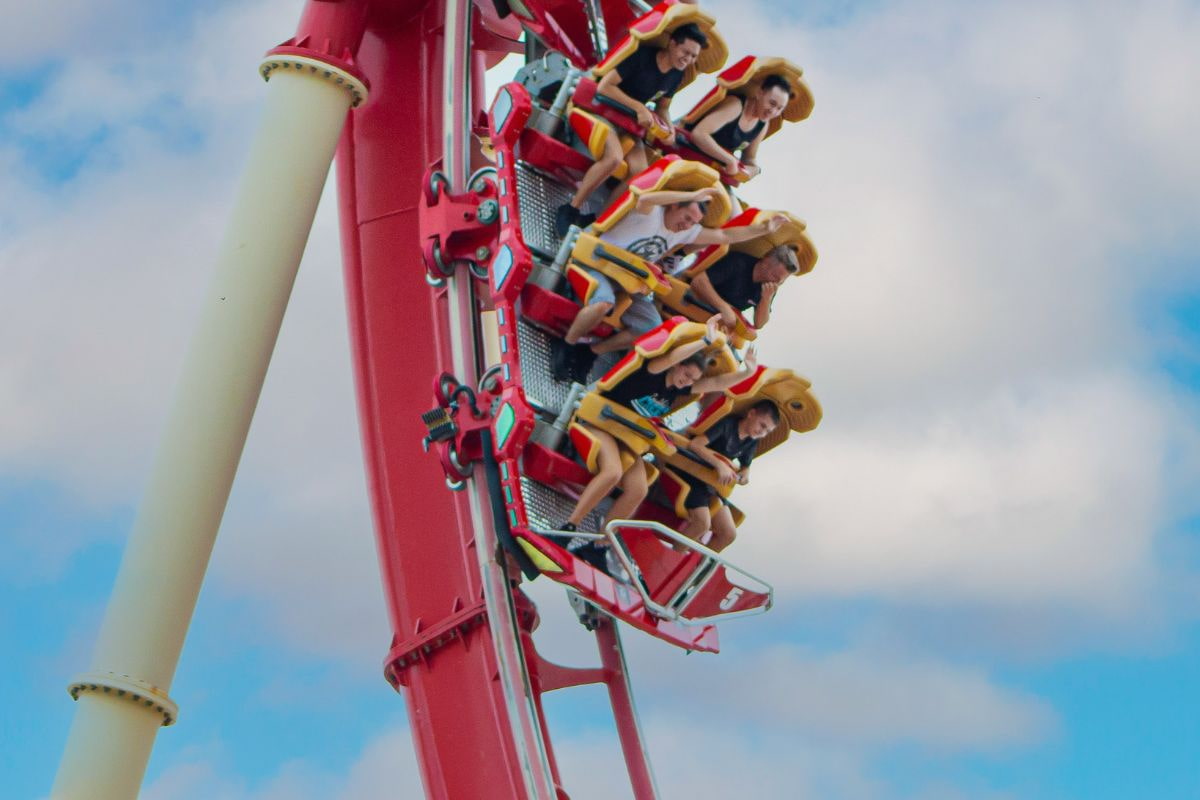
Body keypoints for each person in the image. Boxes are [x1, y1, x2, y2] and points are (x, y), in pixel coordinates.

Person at [558, 317, 757, 568]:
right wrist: (705, 341)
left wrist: (747, 372)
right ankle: (569, 526)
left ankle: (598, 545)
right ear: (677, 366)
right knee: (612, 472)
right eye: (685, 373)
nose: (687, 380)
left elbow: (716, 383)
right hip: (601, 423)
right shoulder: (655, 370)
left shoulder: (678, 390)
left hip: (628, 438)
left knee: (638, 489)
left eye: (692, 378)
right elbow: (672, 358)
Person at [552, 187, 788, 383]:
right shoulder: (651, 212)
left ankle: (589, 352)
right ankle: (566, 345)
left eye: (693, 222)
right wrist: (688, 195)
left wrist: (762, 229)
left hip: (632, 281)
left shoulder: (686, 232)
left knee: (653, 330)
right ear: (674, 206)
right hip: (601, 264)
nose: (687, 225)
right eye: (686, 217)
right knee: (604, 303)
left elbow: (725, 237)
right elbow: (643, 197)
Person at [555, 23, 710, 236]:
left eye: (693, 56)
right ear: (672, 44)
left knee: (639, 175)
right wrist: (638, 107)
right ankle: (571, 209)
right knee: (614, 159)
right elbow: (605, 87)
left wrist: (668, 127)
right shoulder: (643, 56)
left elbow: (663, 107)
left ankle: (598, 222)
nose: (688, 59)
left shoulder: (676, 75)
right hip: (603, 111)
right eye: (686, 52)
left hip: (629, 124)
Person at [677, 399, 780, 552]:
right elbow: (695, 444)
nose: (762, 433)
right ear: (751, 414)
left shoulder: (751, 441)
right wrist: (720, 465)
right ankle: (675, 555)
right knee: (702, 523)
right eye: (762, 425)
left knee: (729, 534)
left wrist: (744, 475)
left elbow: (746, 467)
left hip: (711, 485)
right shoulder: (727, 424)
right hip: (691, 475)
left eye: (767, 431)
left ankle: (695, 566)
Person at [684, 74, 793, 181]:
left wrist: (755, 169)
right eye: (772, 103)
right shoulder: (735, 105)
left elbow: (749, 158)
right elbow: (698, 134)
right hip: (684, 150)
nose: (773, 111)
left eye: (779, 108)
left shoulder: (763, 124)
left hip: (712, 169)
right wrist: (729, 160)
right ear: (760, 93)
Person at [688, 243, 800, 332]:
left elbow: (759, 323)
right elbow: (698, 282)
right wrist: (724, 308)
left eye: (781, 281)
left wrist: (766, 299)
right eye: (775, 276)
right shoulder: (738, 262)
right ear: (766, 262)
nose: (777, 283)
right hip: (693, 305)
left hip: (717, 324)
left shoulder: (769, 288)